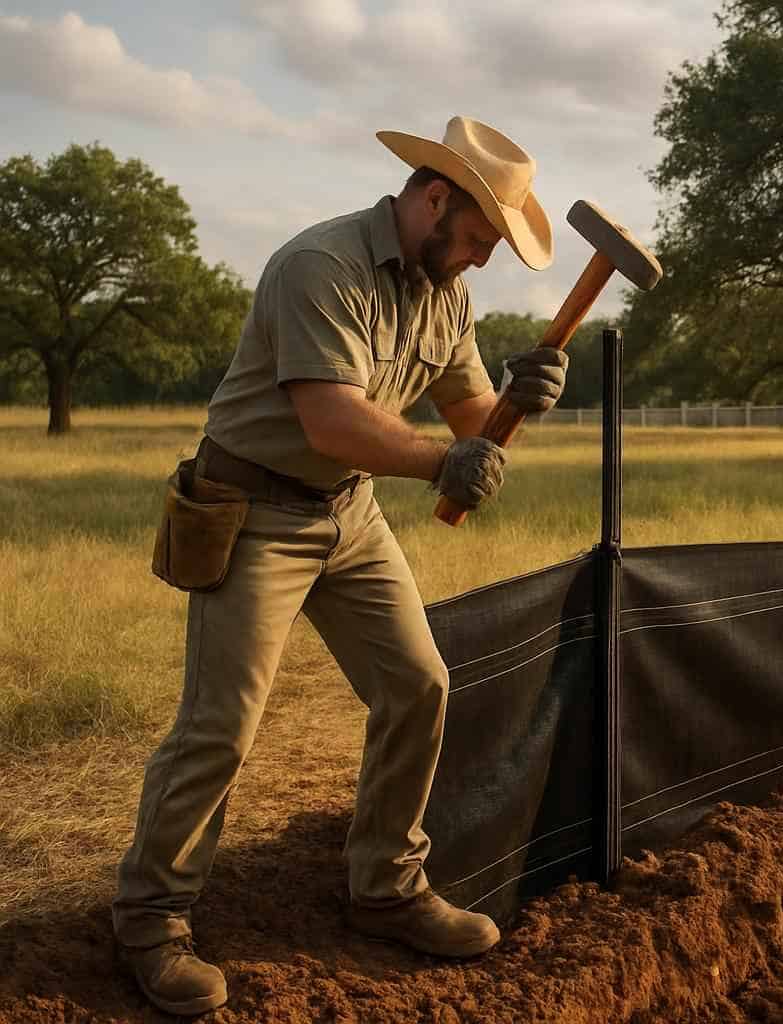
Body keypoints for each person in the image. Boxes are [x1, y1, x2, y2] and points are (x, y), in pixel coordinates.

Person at [113, 116, 567, 1016]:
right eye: (477, 238)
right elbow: (332, 422)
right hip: (251, 513)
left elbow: (471, 415)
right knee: (222, 726)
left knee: (420, 685)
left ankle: (385, 888)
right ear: (434, 198)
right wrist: (444, 462)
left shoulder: (447, 294)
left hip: (346, 513)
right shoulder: (320, 266)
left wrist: (520, 401)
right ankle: (150, 920)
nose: (479, 259)